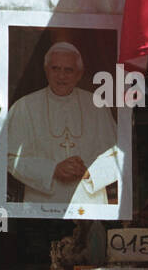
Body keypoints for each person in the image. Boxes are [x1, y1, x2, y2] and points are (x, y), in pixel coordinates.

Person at [7, 42, 121, 207]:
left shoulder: (97, 105)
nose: (61, 76)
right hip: (42, 204)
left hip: (89, 202)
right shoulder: (24, 106)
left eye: (68, 70)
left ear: (79, 74)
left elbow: (117, 154)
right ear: (46, 71)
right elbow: (10, 158)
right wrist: (52, 170)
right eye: (55, 69)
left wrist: (90, 173)